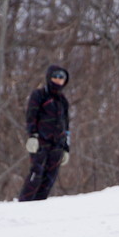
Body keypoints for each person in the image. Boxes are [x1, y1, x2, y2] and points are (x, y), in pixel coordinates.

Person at [19, 64, 70, 202]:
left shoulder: (63, 101)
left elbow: (66, 124)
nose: (58, 80)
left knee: (50, 177)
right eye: (55, 76)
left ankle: (38, 205)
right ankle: (24, 203)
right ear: (49, 77)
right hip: (41, 141)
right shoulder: (39, 95)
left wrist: (66, 146)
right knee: (37, 172)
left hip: (57, 144)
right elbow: (31, 115)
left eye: (61, 77)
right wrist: (33, 135)